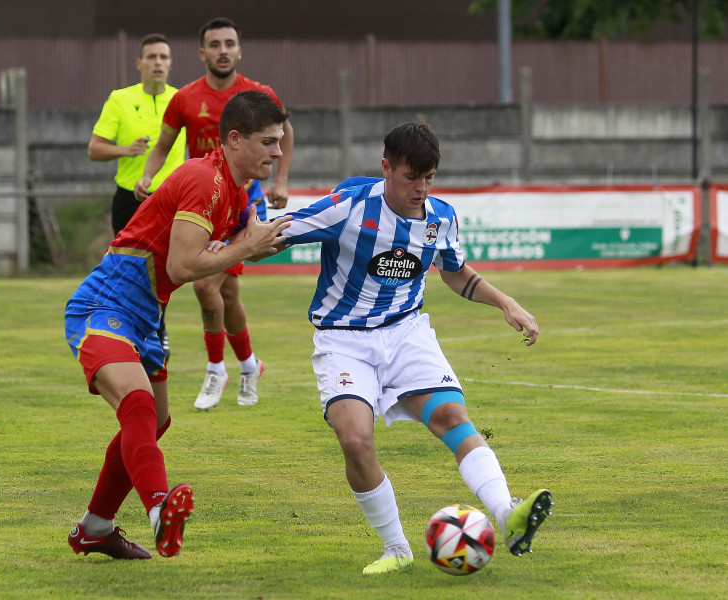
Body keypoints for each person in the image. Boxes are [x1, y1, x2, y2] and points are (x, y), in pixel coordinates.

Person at [274, 122, 553, 574]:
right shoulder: (350, 206)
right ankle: (397, 549)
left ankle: (508, 515)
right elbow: (279, 233)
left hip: (406, 332)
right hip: (344, 339)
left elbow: (454, 271)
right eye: (411, 178)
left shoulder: (441, 216)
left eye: (429, 178)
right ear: (386, 167)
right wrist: (233, 245)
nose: (421, 189)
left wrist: (505, 302)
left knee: (452, 417)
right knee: (355, 439)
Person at [64, 90, 292, 560]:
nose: (278, 151)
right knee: (139, 405)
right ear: (234, 140)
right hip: (104, 306)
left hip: (146, 317)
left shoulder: (236, 191)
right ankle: (159, 508)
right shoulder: (203, 180)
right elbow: (183, 268)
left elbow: (237, 246)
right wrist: (247, 247)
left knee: (155, 421)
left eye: (279, 141)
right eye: (269, 142)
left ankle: (94, 528)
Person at [136, 17, 295, 410]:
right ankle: (247, 364)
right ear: (202, 53)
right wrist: (147, 175)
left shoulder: (258, 95)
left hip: (243, 203)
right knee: (226, 292)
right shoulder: (185, 98)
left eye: (230, 43)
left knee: (206, 285)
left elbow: (285, 134)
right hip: (205, 200)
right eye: (215, 44)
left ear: (239, 50)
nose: (223, 50)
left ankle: (215, 368)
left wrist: (281, 182)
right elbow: (164, 143)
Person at [87, 33, 187, 363]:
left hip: (172, 201)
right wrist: (124, 150)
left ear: (171, 63)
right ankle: (126, 331)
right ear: (139, 64)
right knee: (129, 271)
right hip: (130, 199)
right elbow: (94, 149)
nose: (157, 62)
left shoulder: (182, 100)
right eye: (152, 57)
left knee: (166, 272)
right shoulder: (119, 99)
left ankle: (158, 329)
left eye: (163, 57)